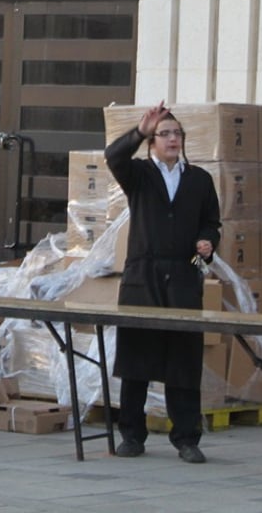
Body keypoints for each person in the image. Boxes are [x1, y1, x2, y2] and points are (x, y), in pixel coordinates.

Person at [104, 100, 221, 463]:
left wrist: (208, 242)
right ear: (152, 141)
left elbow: (211, 222)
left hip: (183, 278)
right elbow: (113, 156)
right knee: (137, 359)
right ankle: (132, 435)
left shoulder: (199, 179)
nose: (173, 139)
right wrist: (138, 131)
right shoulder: (139, 174)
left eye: (177, 133)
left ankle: (186, 437)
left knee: (183, 360)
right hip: (144, 276)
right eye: (165, 134)